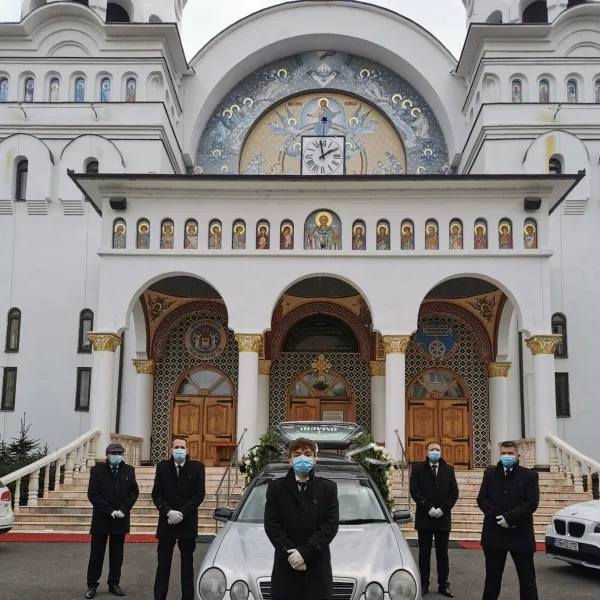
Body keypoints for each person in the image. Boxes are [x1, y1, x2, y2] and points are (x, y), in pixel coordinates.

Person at [264, 437, 339, 600]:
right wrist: (292, 554)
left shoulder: (328, 489)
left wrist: (305, 553)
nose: (302, 458)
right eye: (297, 455)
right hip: (286, 570)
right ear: (290, 461)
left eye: (307, 454)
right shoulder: (276, 489)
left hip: (317, 570)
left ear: (315, 460)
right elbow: (272, 525)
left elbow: (330, 525)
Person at [477, 440, 540, 600]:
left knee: (527, 581)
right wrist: (499, 516)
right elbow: (482, 499)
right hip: (495, 534)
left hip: (520, 534)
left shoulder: (530, 476)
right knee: (492, 581)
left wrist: (510, 518)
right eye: (503, 453)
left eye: (510, 453)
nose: (506, 456)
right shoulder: (490, 474)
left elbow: (532, 502)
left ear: (518, 455)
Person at [152, 438, 206, 600]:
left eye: (182, 447)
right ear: (171, 450)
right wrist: (168, 512)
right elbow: (157, 494)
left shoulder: (197, 468)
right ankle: (159, 597)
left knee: (187, 564)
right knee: (163, 564)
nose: (179, 450)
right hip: (167, 522)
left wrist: (181, 513)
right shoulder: (162, 467)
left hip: (187, 522)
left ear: (187, 450)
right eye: (176, 447)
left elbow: (199, 494)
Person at [85, 443, 139, 599]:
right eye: (114, 453)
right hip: (102, 518)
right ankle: (92, 584)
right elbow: (93, 494)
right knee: (96, 554)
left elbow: (134, 492)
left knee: (117, 554)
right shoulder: (97, 470)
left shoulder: (129, 470)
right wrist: (109, 510)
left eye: (120, 454)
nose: (117, 456)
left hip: (120, 518)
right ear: (107, 455)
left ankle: (114, 583)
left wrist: (123, 509)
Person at [409, 441, 459, 597]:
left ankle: (443, 584)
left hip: (443, 518)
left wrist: (443, 509)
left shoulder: (448, 469)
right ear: (427, 451)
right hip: (425, 517)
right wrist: (428, 507)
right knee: (424, 553)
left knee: (442, 554)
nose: (435, 452)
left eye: (437, 449)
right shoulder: (418, 469)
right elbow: (414, 490)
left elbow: (454, 493)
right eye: (432, 449)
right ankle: (424, 584)